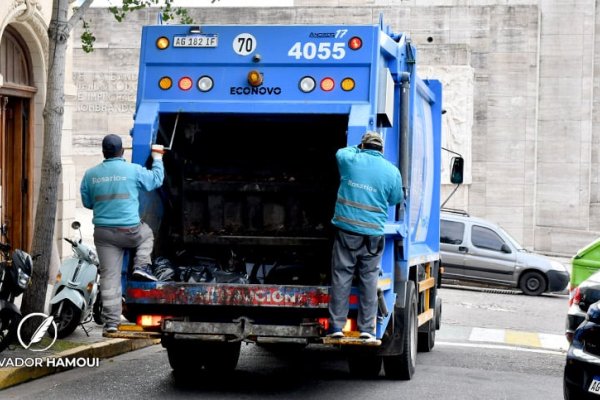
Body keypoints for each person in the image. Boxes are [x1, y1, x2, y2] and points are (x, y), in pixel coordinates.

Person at [80, 134, 165, 334]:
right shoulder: (132, 170)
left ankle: (111, 323)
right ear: (122, 151)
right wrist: (158, 157)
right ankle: (142, 265)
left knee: (110, 277)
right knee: (147, 234)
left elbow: (87, 203)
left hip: (104, 235)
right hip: (130, 231)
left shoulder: (90, 174)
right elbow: (156, 180)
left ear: (103, 152)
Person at [328, 131, 403, 342]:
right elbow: (396, 198)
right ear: (381, 149)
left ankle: (336, 327)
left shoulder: (351, 159)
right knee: (369, 280)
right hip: (373, 235)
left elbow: (340, 152)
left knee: (342, 277)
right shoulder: (391, 171)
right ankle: (367, 330)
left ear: (363, 146)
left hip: (347, 231)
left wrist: (359, 147)